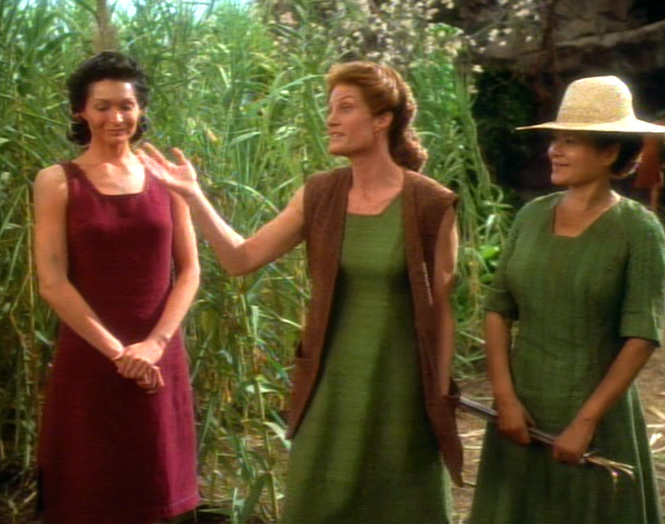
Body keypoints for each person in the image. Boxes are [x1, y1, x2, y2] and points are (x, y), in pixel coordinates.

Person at [139, 60, 463, 523]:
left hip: (402, 388)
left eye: (345, 108)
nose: (330, 119)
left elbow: (443, 311)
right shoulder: (321, 193)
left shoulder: (431, 203)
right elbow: (240, 259)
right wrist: (194, 196)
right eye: (329, 108)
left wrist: (440, 394)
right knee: (319, 499)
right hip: (330, 381)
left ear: (382, 119)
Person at [469, 76, 665, 523]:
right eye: (555, 140)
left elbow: (642, 336)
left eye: (570, 142)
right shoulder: (531, 216)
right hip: (521, 412)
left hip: (594, 415)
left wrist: (586, 421)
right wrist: (505, 398)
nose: (554, 151)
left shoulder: (638, 230)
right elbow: (498, 308)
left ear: (609, 152)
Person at [33, 51, 200, 524]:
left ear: (141, 109)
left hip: (159, 356)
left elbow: (190, 270)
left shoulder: (166, 179)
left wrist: (154, 346)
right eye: (102, 106)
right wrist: (121, 354)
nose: (116, 117)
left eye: (126, 105)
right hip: (91, 357)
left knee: (154, 489)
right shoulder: (57, 182)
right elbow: (52, 282)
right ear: (80, 112)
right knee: (89, 490)